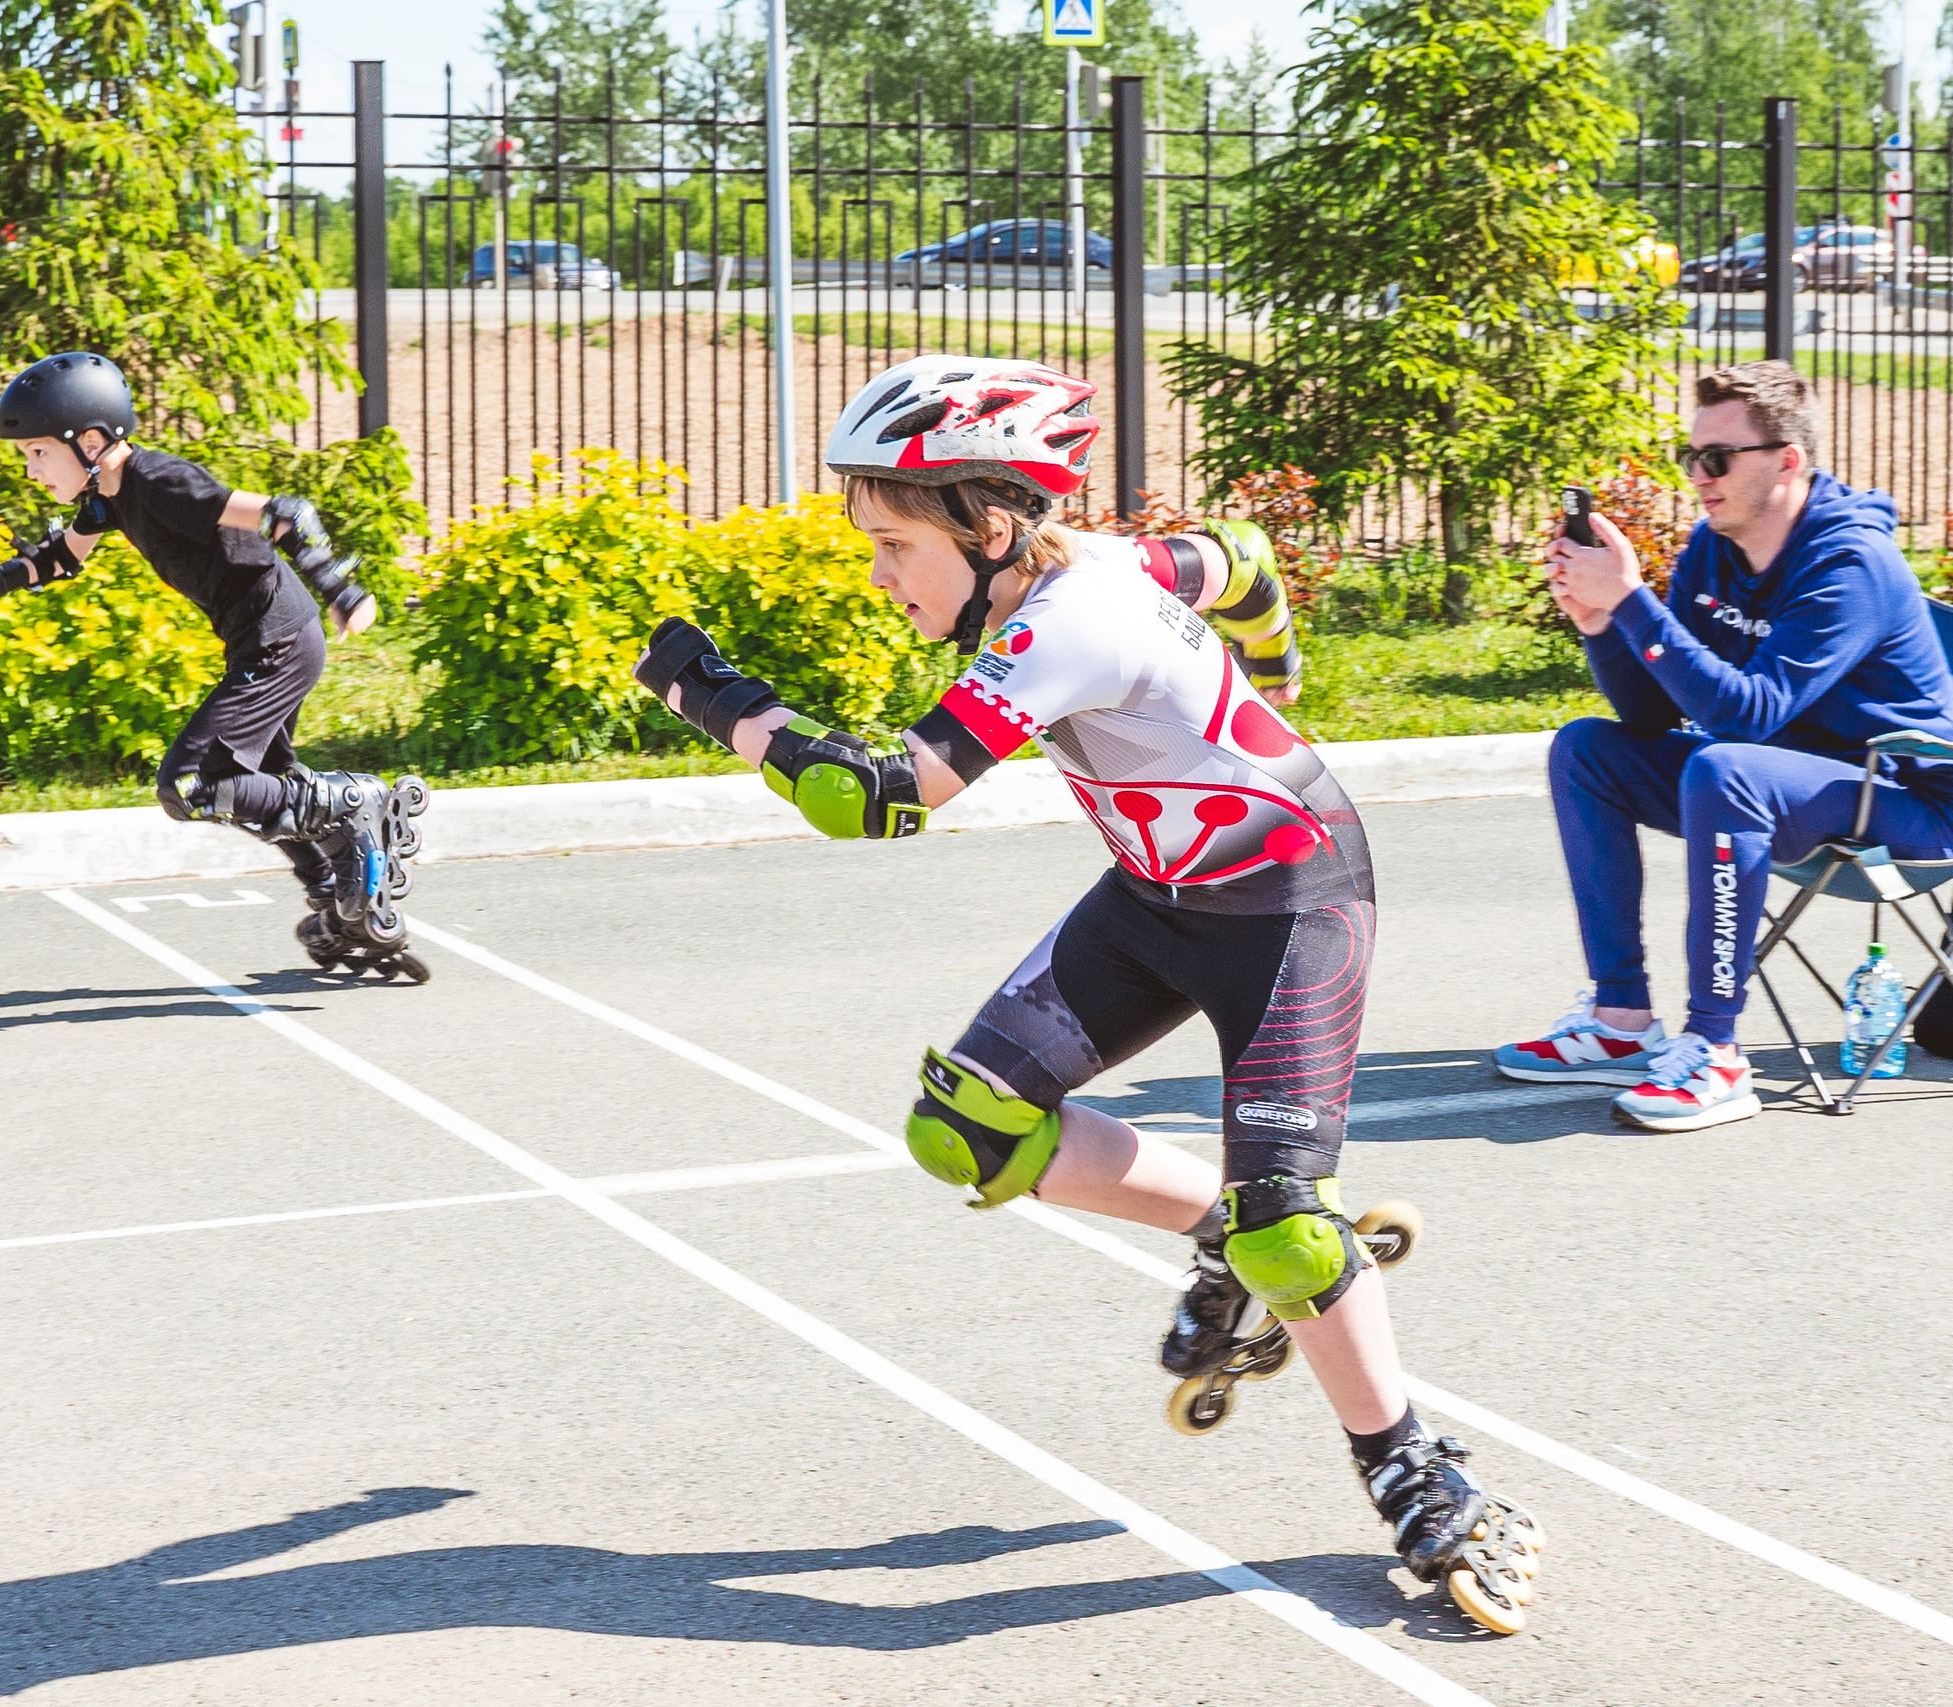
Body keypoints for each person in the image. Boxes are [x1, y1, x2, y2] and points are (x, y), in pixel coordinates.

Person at [633, 353, 1545, 1635]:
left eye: (896, 544)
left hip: (1293, 906)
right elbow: (1238, 558)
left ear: (993, 526)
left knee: (1297, 1229)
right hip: (1158, 896)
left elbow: (876, 800)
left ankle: (1414, 1468)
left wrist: (710, 697)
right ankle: (1220, 1235)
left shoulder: (1064, 622)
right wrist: (1273, 687)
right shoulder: (1103, 562)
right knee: (963, 1130)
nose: (882, 575)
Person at [1499, 361, 1953, 1127]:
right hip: (1788, 779)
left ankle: (1716, 1049)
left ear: (1786, 461)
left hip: (1907, 799)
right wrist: (1601, 624)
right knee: (1587, 750)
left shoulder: (1849, 565)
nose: (1699, 476)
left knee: (1724, 766)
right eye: (1692, 458)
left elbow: (1748, 717)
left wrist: (1633, 600)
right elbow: (1648, 710)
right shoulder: (1715, 549)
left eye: (1717, 458)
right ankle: (1621, 1021)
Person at [0, 352, 431, 981]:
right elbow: (58, 559)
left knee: (191, 784)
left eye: (35, 453)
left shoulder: (160, 481)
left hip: (279, 640)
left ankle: (354, 805)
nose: (30, 471)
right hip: (258, 641)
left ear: (89, 441)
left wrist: (339, 589)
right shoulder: (108, 497)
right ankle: (335, 890)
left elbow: (286, 515)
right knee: (256, 785)